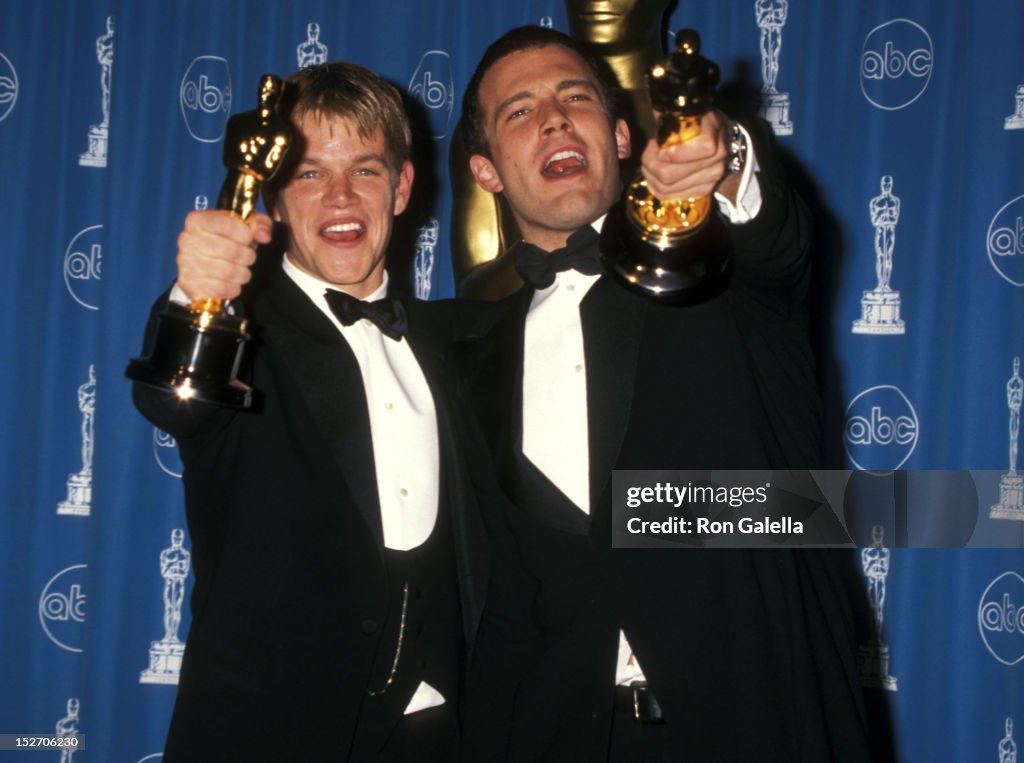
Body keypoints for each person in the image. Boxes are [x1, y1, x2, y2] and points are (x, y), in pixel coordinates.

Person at [454, 26, 872, 761]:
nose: (553, 116)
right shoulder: (464, 349)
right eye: (518, 111)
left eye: (575, 96)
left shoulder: (720, 275)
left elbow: (773, 237)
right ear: (486, 170)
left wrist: (723, 154)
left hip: (754, 723)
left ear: (621, 135)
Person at [132, 61, 496, 761]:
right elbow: (168, 401)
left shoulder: (459, 339)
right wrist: (198, 297)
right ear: (272, 194)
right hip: (262, 733)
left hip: (435, 737)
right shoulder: (243, 328)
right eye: (308, 173)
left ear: (403, 186)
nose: (339, 196)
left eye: (364, 169)